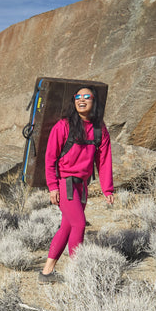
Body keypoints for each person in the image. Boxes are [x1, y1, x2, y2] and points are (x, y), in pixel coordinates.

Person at [39, 86, 114, 283]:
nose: (81, 100)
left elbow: (104, 160)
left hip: (82, 186)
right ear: (73, 102)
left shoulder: (100, 129)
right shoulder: (63, 126)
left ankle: (47, 272)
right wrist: (53, 186)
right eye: (78, 97)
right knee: (79, 224)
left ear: (93, 101)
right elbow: (50, 158)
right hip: (66, 184)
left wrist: (108, 189)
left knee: (67, 227)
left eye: (86, 97)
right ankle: (77, 274)